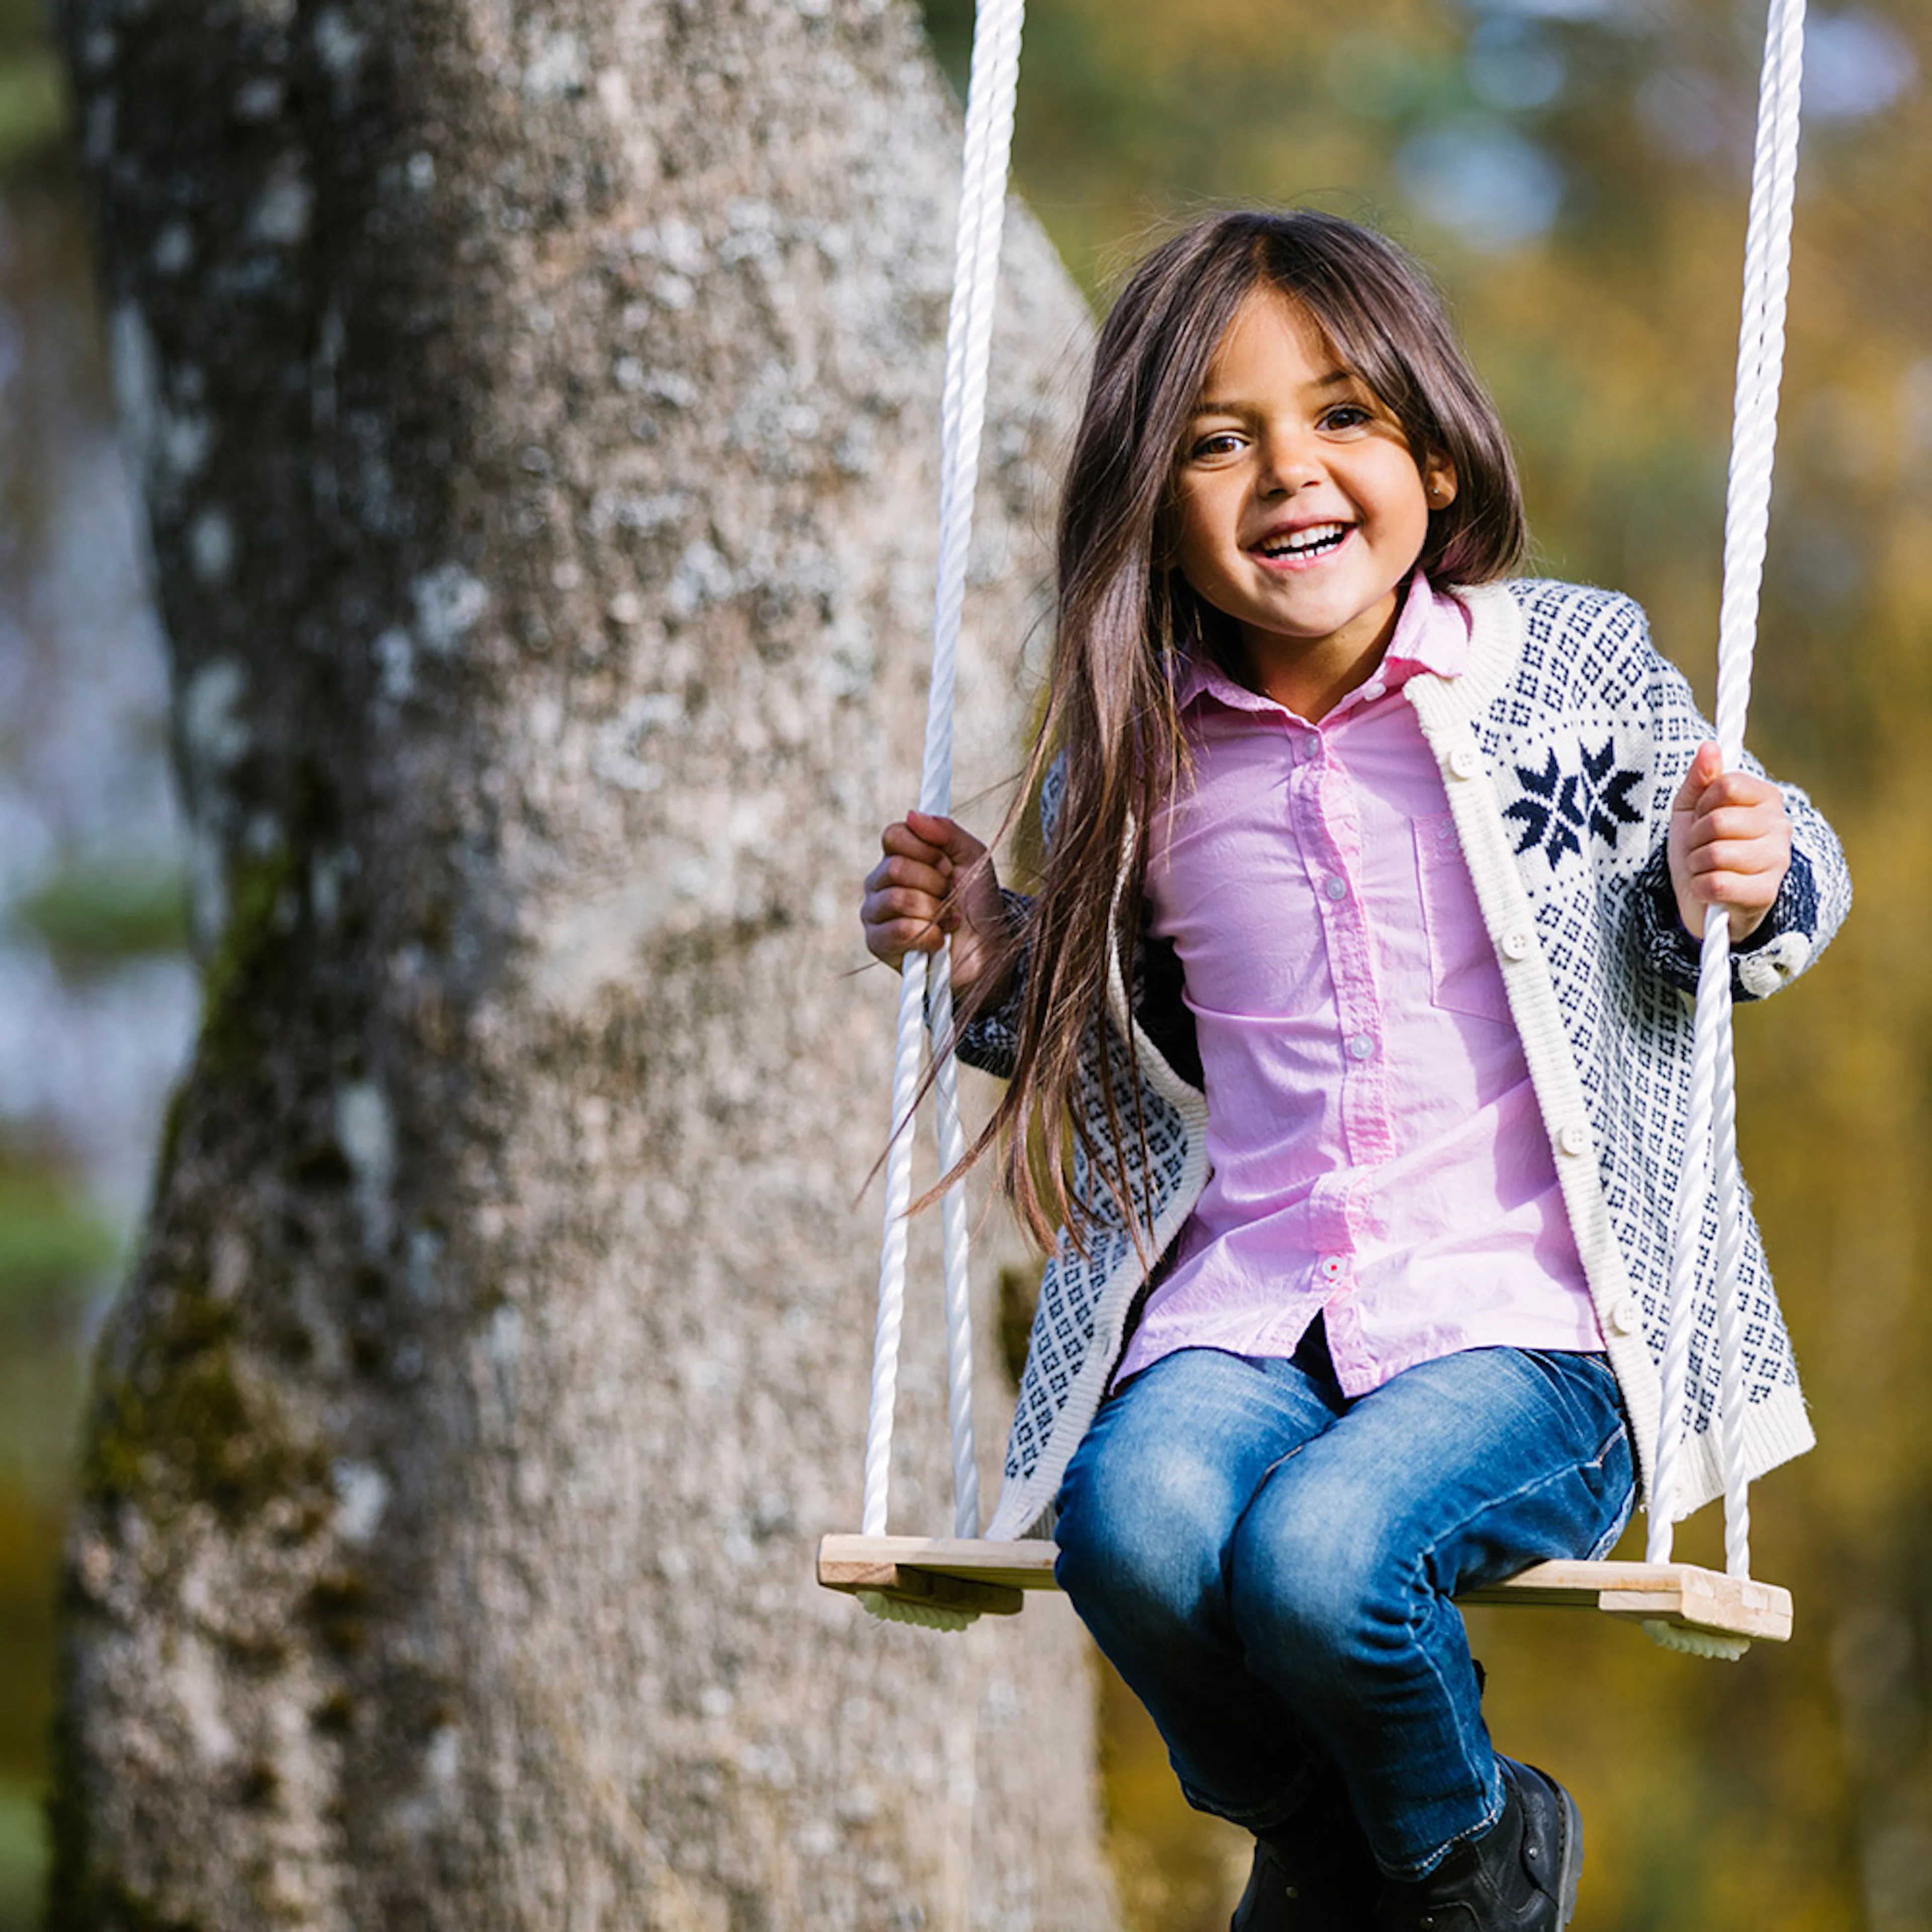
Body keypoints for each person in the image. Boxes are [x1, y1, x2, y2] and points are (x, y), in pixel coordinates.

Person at [859, 210, 1848, 1932]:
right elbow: (1109, 1040)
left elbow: (1760, 888)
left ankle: (1472, 1859)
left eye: (1342, 417)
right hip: (1249, 1310)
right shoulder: (1139, 749)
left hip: (1532, 1326)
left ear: (1434, 448)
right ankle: (1332, 1838)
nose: (1288, 475)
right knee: (1140, 1527)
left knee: (1323, 1564)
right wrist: (987, 952)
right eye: (1217, 441)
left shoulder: (1563, 669)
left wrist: (1755, 873)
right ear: (1152, 503)